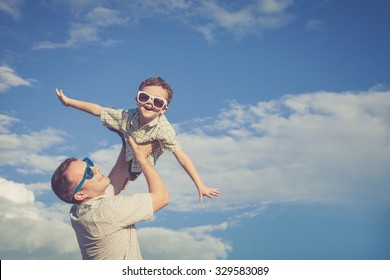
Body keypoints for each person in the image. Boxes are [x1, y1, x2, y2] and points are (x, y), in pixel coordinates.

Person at [55, 77, 219, 203]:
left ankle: (127, 177)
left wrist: (200, 185)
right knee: (113, 118)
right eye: (144, 97)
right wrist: (69, 102)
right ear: (137, 99)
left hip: (142, 156)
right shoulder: (128, 115)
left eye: (157, 101)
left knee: (131, 176)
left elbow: (182, 157)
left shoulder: (164, 129)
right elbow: (98, 110)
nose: (149, 103)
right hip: (128, 132)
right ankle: (123, 135)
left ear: (163, 109)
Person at [51, 135, 169, 260]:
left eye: (89, 163)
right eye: (88, 173)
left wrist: (127, 139)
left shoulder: (79, 209)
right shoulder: (106, 212)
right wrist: (142, 158)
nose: (96, 168)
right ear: (80, 195)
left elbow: (115, 183)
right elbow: (162, 198)